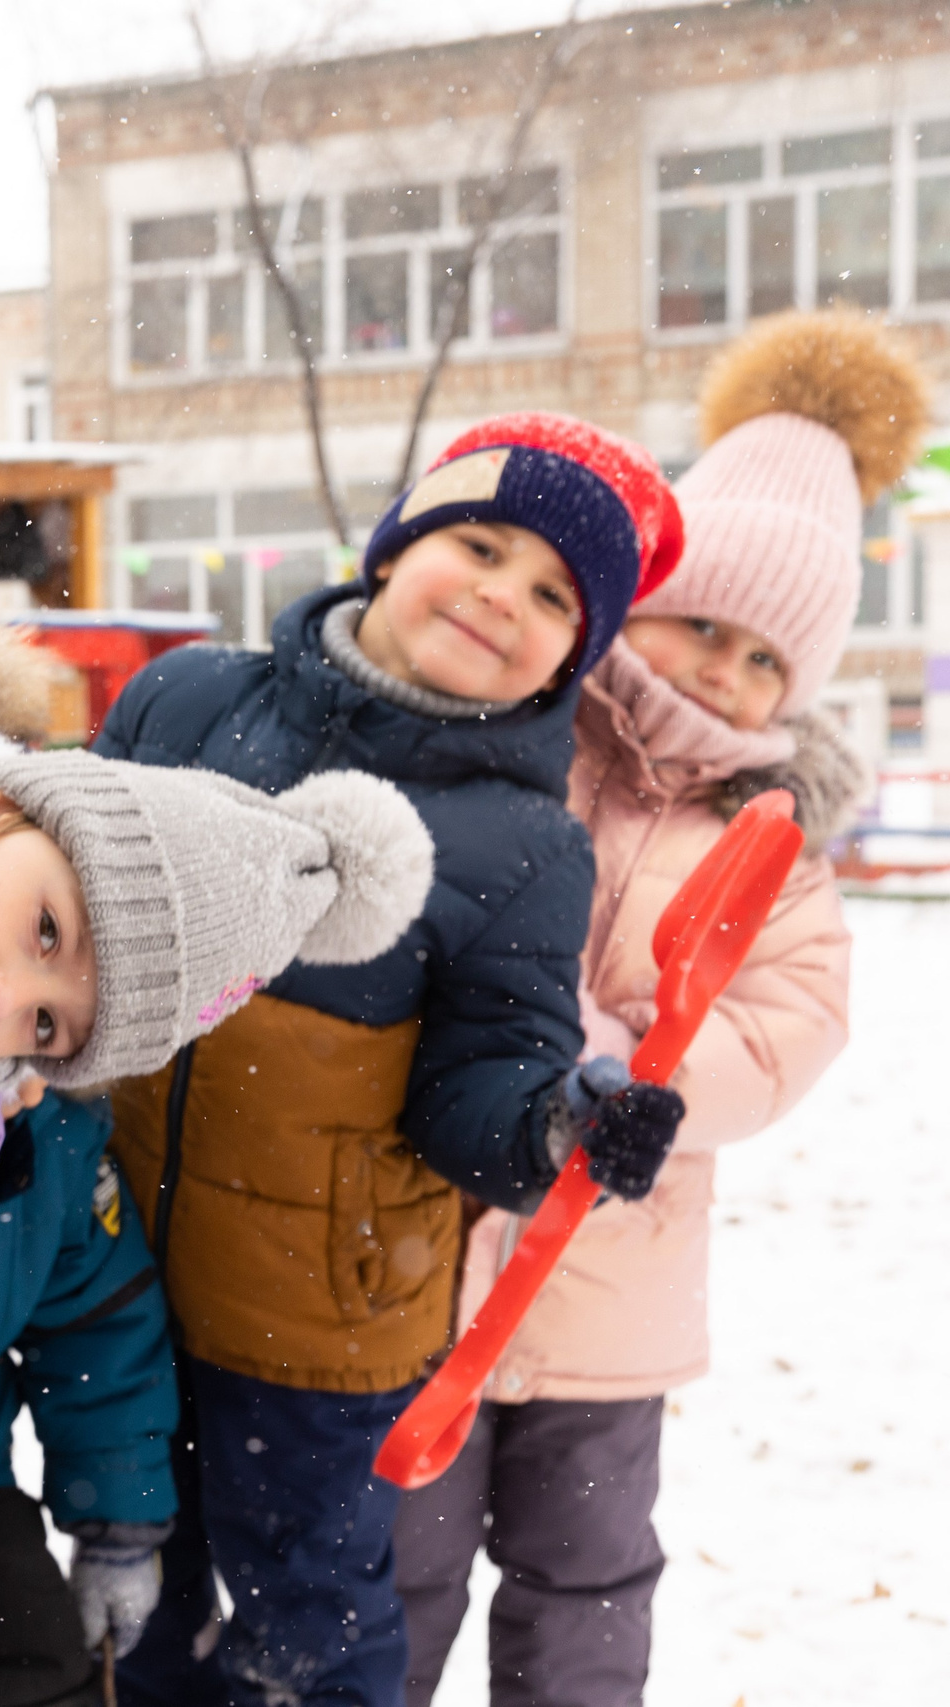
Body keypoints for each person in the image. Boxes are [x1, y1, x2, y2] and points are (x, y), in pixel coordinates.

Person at [0, 602, 439, 1707]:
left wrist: (117, 1518)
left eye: (53, 1026)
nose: (7, 993)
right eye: (47, 931)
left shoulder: (26, 1133)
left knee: (45, 1672)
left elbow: (96, 1317)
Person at [93, 413, 696, 1707]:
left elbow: (479, 1088)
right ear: (394, 545)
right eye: (478, 542)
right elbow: (56, 889)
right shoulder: (185, 697)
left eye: (553, 595)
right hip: (118, 1270)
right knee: (131, 1576)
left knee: (305, 1621)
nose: (500, 594)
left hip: (323, 1322)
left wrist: (554, 1126)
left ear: (570, 661)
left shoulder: (525, 845)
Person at [393, 311, 919, 1707]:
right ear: (638, 610)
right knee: (398, 1564)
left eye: (766, 662)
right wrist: (541, 1029)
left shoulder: (775, 838)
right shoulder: (525, 742)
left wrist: (652, 1075)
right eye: (704, 629)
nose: (725, 676)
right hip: (430, 1261)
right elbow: (457, 912)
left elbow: (793, 1017)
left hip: (613, 1278)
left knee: (587, 1574)